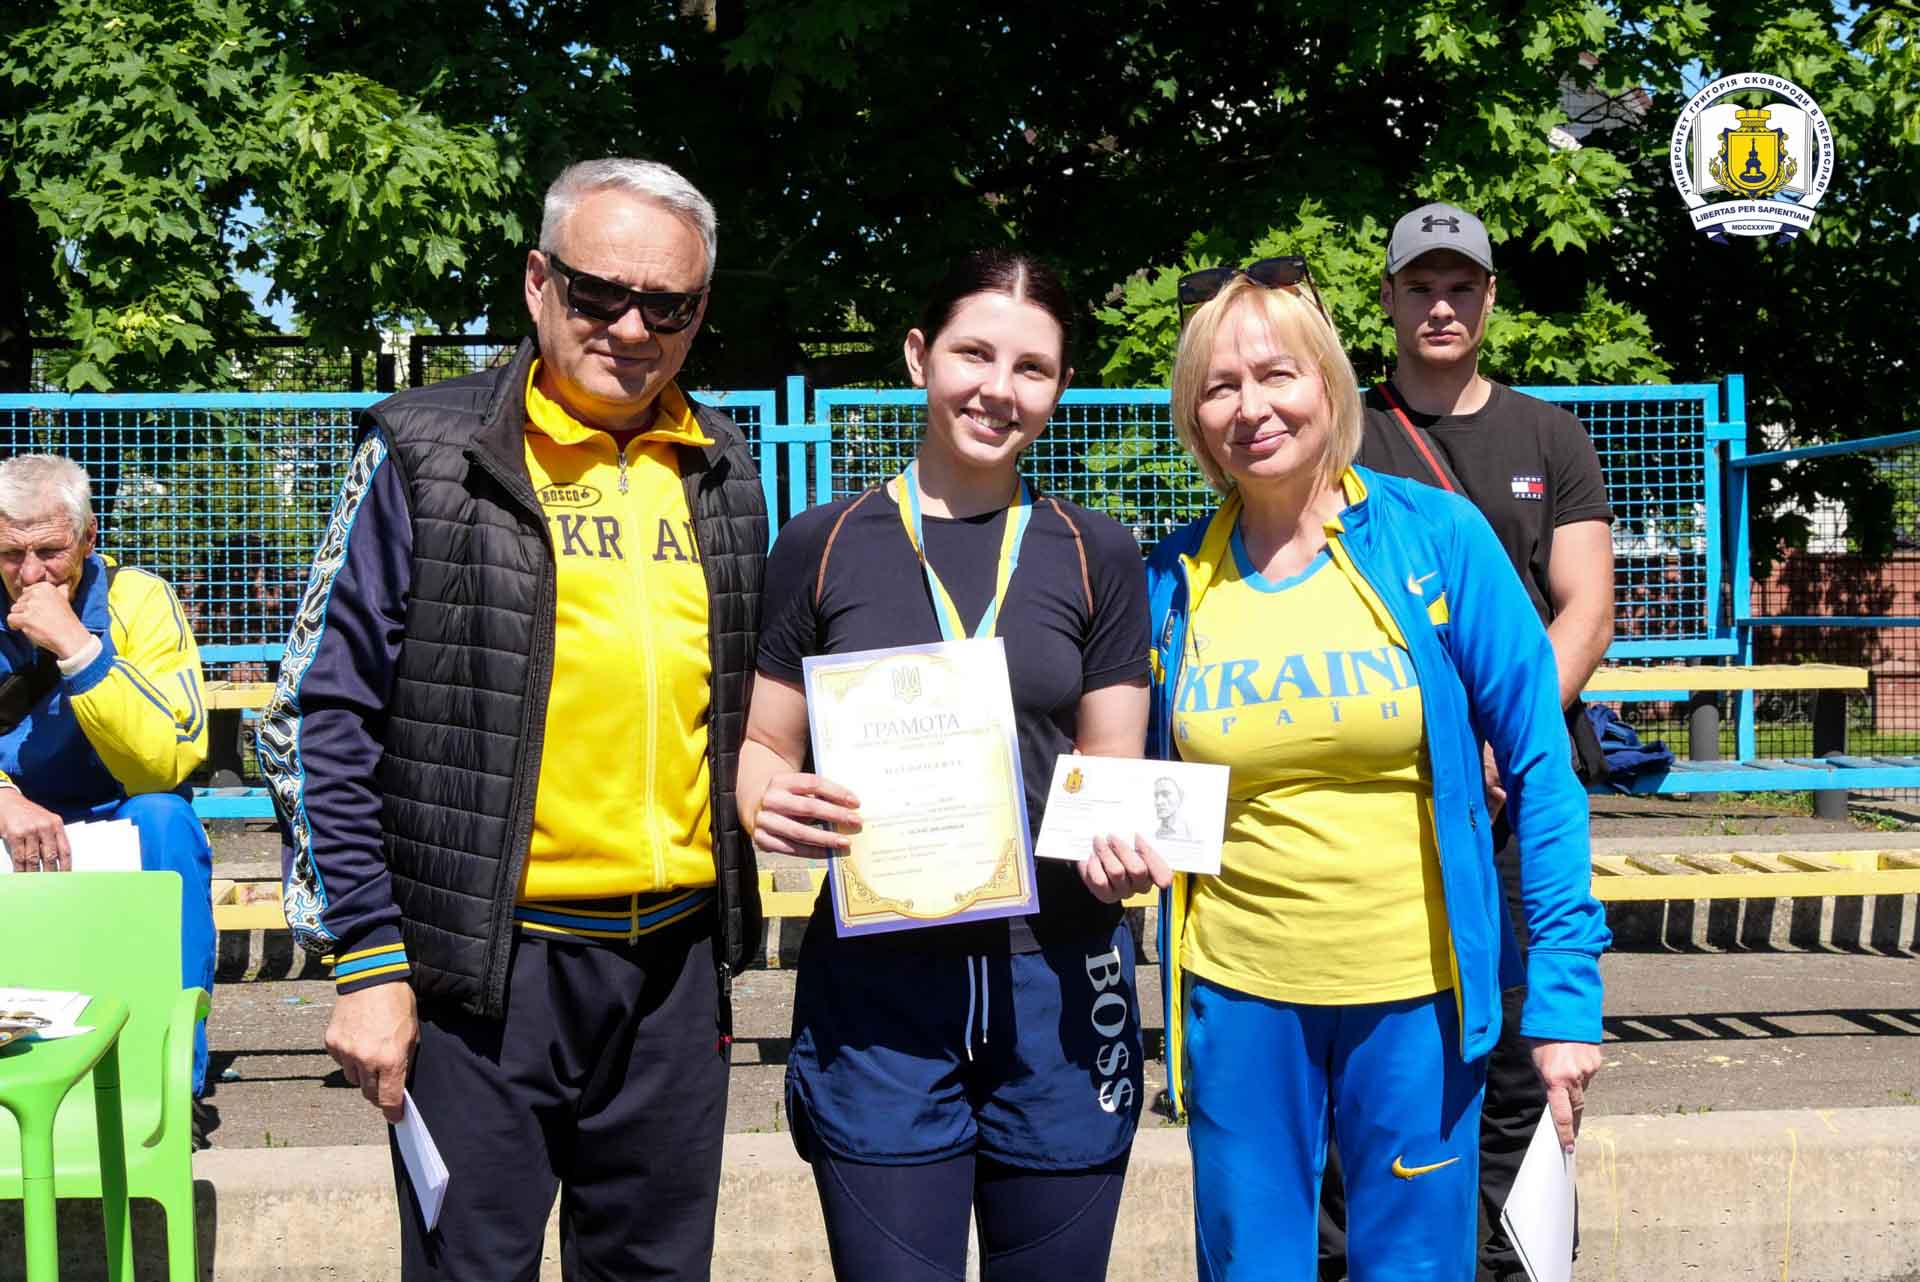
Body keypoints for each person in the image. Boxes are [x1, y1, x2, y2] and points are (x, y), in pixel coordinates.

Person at [260, 158, 765, 1281]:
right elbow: (313, 715)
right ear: (538, 282)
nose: (631, 327)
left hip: (676, 974)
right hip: (483, 980)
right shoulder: (423, 454)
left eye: (668, 306)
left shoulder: (724, 469)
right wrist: (367, 959)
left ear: (698, 315)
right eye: (598, 294)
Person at [1134, 266, 1609, 1281]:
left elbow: (1539, 764)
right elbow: (1130, 773)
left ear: (1329, 384)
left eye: (1277, 374)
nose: (1252, 407)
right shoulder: (1170, 582)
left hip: (1417, 1002)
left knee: (1416, 1269)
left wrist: (1564, 1000)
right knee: (1253, 1265)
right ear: (1194, 414)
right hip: (1238, 999)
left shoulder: (1433, 539)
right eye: (1220, 386)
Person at [738, 250, 1156, 1282]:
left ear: (1059, 387)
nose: (997, 389)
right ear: (921, 356)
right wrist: (767, 803)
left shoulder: (1096, 551)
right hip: (879, 995)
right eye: (974, 353)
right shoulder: (824, 542)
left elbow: (1114, 770)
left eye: (1033, 368)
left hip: (1061, 985)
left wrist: (1125, 852)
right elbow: (760, 749)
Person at [1343, 200, 1615, 1282]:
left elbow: (1584, 611)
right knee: (1378, 1063)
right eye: (1422, 287)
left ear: (1491, 300)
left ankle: (1508, 1264)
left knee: (1512, 1069)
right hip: (1387, 803)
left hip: (1512, 804)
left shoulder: (1549, 434)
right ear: (1391, 302)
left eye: (1463, 287)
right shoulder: (1345, 430)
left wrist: (1503, 736)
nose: (1442, 305)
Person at [0, 453, 215, 1122]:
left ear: (89, 539)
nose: (31, 574)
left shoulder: (140, 600)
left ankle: (172, 1079)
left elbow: (167, 761)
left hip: (116, 803)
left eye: (49, 551)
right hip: (12, 805)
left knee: (168, 822)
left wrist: (78, 650)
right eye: (10, 555)